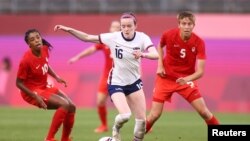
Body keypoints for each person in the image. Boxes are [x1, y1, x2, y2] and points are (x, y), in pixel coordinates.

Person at [54, 12, 159, 141]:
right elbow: (87, 37)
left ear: (135, 26)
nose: (126, 29)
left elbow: (156, 55)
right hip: (116, 82)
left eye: (129, 26)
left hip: (134, 82)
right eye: (123, 26)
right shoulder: (113, 37)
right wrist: (69, 29)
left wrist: (143, 54)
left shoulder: (142, 38)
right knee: (125, 115)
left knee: (142, 123)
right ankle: (115, 132)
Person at [145, 11, 219, 134]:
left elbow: (200, 72)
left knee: (204, 112)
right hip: (165, 78)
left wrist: (187, 79)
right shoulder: (168, 35)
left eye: (189, 24)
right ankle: (136, 139)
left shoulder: (199, 42)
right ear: (179, 24)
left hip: (186, 80)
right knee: (154, 115)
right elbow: (160, 46)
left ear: (193, 25)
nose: (186, 26)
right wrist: (160, 65)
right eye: (183, 23)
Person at [16, 29, 76, 141]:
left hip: (44, 86)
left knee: (72, 106)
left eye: (38, 37)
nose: (37, 40)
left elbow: (45, 64)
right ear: (29, 44)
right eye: (32, 40)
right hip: (32, 91)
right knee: (64, 104)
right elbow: (18, 83)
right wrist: (35, 96)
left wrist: (56, 77)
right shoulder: (25, 61)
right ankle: (49, 138)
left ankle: (65, 139)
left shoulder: (45, 48)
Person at [68, 20, 121, 133]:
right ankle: (104, 125)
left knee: (131, 102)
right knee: (100, 101)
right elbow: (90, 50)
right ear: (110, 28)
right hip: (107, 76)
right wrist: (77, 57)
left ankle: (143, 122)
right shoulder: (105, 41)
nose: (115, 29)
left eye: (118, 27)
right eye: (113, 27)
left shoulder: (124, 42)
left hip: (122, 77)